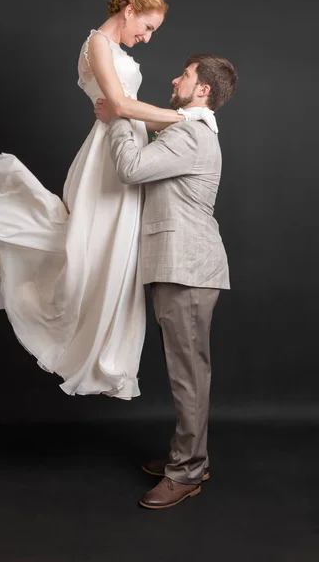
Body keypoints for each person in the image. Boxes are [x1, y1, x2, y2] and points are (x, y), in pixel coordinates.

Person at [0, 0, 206, 400]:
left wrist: (182, 120)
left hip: (125, 147)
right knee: (85, 250)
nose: (148, 38)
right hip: (106, 158)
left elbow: (129, 111)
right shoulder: (98, 43)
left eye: (154, 32)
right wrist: (185, 119)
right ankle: (8, 224)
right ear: (130, 9)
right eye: (148, 27)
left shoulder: (115, 50)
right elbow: (119, 104)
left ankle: (105, 361)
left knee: (109, 259)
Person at [95, 53, 237, 508]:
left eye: (186, 75)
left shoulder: (191, 134)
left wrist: (119, 115)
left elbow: (131, 169)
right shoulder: (187, 131)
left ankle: (188, 471)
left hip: (188, 268)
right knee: (187, 371)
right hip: (182, 266)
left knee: (189, 374)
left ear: (202, 91)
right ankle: (189, 456)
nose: (175, 78)